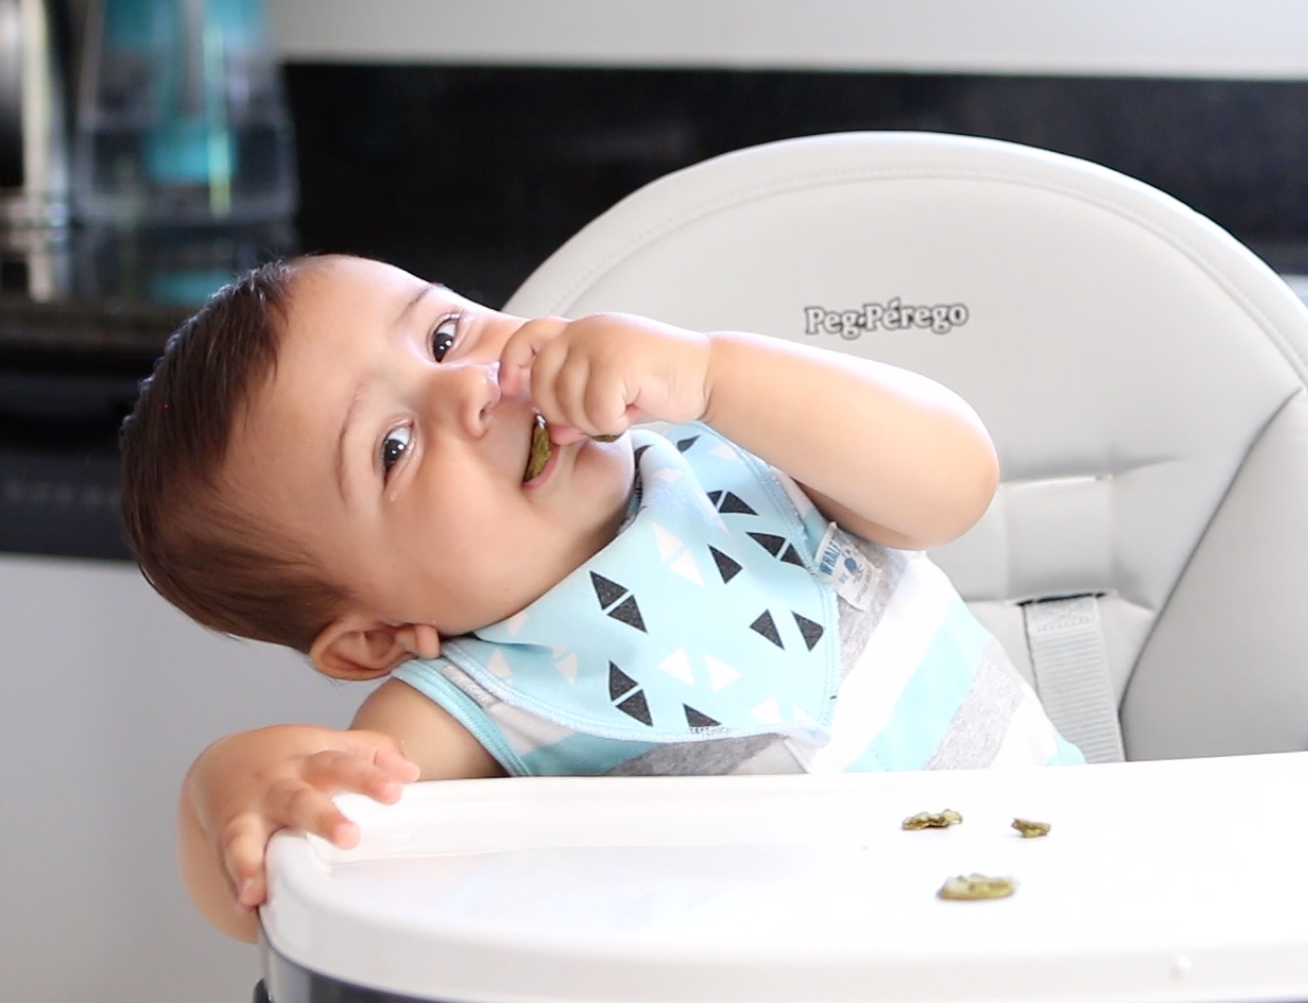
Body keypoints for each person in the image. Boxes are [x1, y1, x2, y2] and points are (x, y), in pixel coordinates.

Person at [120, 253, 1083, 942]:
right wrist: (221, 788)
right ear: (375, 636)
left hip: (1089, 904)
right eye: (394, 448)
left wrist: (713, 372)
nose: (470, 387)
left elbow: (956, 485)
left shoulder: (747, 448)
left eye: (446, 333)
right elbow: (295, 890)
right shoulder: (475, 703)